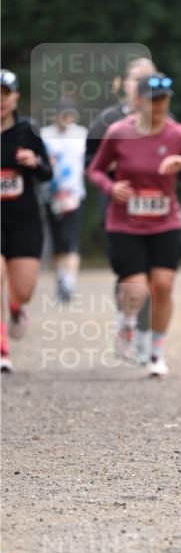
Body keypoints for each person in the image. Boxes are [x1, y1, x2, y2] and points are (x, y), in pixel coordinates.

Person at [87, 72, 181, 377]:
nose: (158, 105)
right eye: (152, 99)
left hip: (165, 222)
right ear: (138, 101)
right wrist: (111, 188)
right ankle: (126, 323)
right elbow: (95, 170)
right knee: (137, 289)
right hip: (125, 223)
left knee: (163, 286)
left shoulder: (179, 134)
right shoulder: (119, 131)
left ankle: (155, 352)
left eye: (163, 99)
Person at [87, 56, 158, 361]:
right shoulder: (107, 121)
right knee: (130, 270)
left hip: (157, 207)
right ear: (125, 84)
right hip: (119, 204)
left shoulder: (163, 116)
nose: (141, 86)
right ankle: (128, 324)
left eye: (148, 79)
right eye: (136, 79)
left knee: (156, 273)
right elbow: (89, 161)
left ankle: (143, 332)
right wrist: (111, 177)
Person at [1, 69, 53, 372]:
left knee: (23, 289)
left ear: (15, 97)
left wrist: (34, 163)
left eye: (4, 95)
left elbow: (48, 173)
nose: (0, 101)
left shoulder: (27, 131)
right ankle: (2, 349)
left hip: (24, 219)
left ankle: (16, 307)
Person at [42, 101, 88, 302]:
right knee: (57, 241)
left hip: (73, 195)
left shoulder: (81, 134)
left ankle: (69, 280)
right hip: (51, 196)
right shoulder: (45, 135)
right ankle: (61, 278)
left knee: (71, 240)